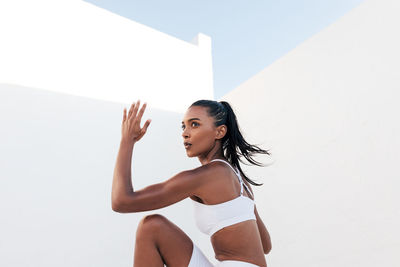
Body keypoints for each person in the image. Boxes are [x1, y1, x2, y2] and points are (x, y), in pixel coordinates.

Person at [112, 99, 272, 267]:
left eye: (194, 124)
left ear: (220, 132)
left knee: (151, 227)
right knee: (152, 226)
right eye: (184, 126)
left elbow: (121, 201)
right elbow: (265, 245)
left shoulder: (208, 175)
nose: (185, 133)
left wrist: (127, 141)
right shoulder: (239, 179)